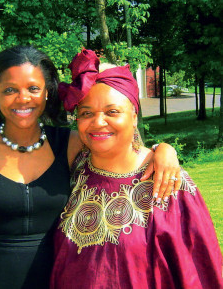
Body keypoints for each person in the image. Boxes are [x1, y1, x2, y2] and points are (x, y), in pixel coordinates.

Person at [0, 46, 180, 289]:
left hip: (57, 279)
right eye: (9, 90)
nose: (23, 98)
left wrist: (162, 149)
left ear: (47, 92)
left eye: (33, 88)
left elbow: (119, 145)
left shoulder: (69, 144)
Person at [50, 49, 222, 289]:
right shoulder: (74, 167)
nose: (98, 122)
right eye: (86, 113)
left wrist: (163, 149)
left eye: (112, 111)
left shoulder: (169, 183)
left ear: (134, 115)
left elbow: (196, 273)